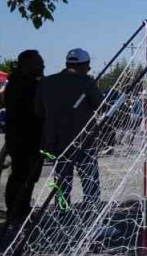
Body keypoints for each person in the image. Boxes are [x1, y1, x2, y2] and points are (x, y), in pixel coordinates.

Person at [36, 48, 103, 209]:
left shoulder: (46, 82)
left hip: (56, 142)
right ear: (83, 65)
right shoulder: (87, 82)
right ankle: (91, 217)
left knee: (62, 184)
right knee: (90, 184)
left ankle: (62, 216)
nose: (88, 69)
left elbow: (38, 111)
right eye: (88, 66)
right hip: (83, 141)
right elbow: (99, 105)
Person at [4, 50, 45, 225]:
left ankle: (22, 207)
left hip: (30, 136)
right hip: (23, 137)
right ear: (28, 64)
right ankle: (15, 209)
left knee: (29, 174)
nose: (42, 66)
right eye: (39, 63)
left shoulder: (27, 82)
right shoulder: (21, 84)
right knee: (21, 174)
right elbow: (30, 111)